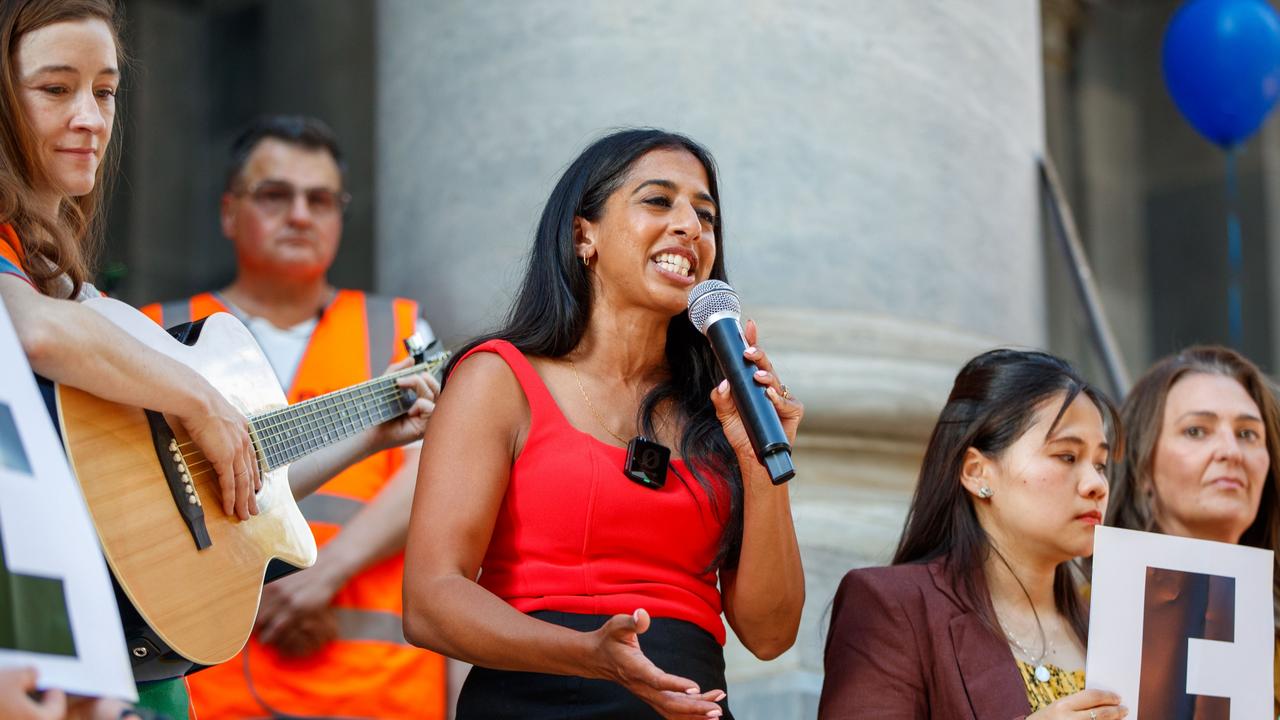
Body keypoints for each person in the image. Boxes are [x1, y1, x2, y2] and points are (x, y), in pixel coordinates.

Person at [0, 5, 433, 716]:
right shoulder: (54, 294)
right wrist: (199, 402)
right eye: (55, 88)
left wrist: (369, 433)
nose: (90, 118)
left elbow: (234, 482)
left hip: (147, 663)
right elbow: (34, 332)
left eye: (105, 91)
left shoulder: (73, 286)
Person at [402, 128, 805, 719]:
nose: (690, 227)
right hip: (537, 700)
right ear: (582, 234)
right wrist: (590, 656)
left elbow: (770, 635)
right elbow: (430, 601)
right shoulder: (499, 378)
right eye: (658, 200)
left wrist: (756, 459)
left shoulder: (719, 412)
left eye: (706, 214)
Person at [140, 115, 447, 720]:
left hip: (377, 684)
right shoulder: (155, 333)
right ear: (230, 213)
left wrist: (321, 574)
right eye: (275, 196)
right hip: (212, 683)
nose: (301, 215)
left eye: (321, 199)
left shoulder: (399, 330)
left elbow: (433, 476)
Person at [820, 349, 1128, 719]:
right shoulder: (894, 606)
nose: (1096, 484)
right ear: (977, 473)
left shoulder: (1115, 625)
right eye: (1066, 456)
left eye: (1101, 464)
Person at [1104, 345, 1280, 715]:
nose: (1230, 451)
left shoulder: (1268, 619)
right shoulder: (1084, 615)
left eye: (1248, 434)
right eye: (1197, 431)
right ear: (1142, 467)